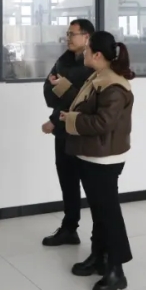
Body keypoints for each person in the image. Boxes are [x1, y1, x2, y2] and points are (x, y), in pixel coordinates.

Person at [57, 31, 135, 290]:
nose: (84, 52)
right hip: (92, 155)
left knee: (108, 214)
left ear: (98, 55)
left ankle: (116, 270)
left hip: (104, 159)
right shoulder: (99, 76)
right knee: (100, 212)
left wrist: (70, 120)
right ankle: (98, 257)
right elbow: (86, 103)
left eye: (88, 49)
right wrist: (64, 92)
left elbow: (103, 123)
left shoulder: (114, 85)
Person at [41, 18, 95, 246]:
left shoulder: (94, 64)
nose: (68, 38)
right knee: (67, 182)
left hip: (83, 133)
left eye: (73, 34)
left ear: (87, 37)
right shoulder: (63, 60)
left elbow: (84, 103)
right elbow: (49, 93)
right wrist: (57, 115)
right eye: (68, 34)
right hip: (63, 134)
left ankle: (100, 237)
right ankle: (69, 228)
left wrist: (55, 118)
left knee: (93, 186)